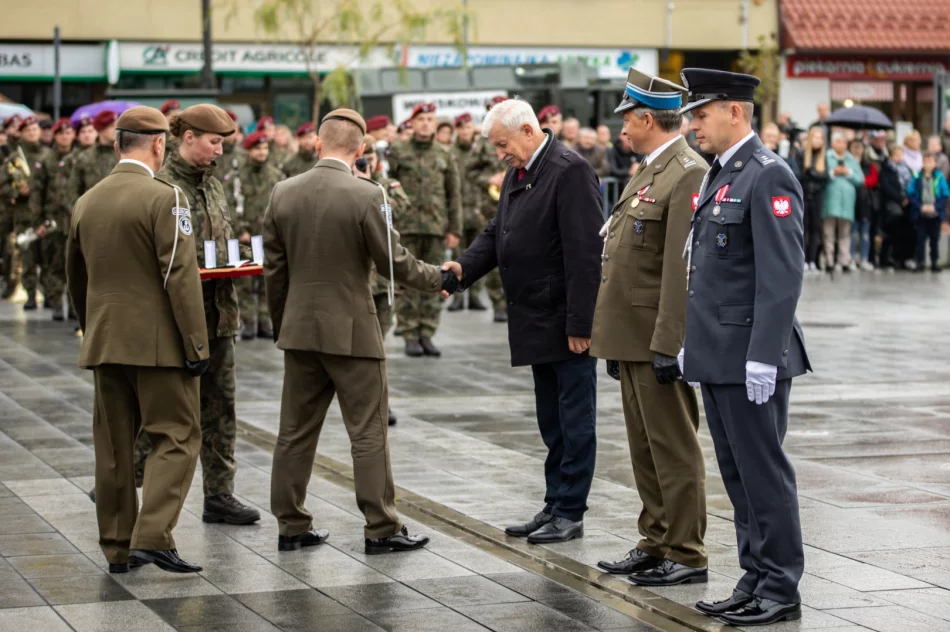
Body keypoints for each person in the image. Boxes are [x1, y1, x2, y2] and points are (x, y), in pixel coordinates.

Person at [263, 108, 454, 554]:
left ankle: (291, 524)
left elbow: (274, 271)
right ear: (361, 148)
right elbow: (395, 263)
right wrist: (441, 278)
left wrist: (283, 324)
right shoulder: (367, 194)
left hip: (300, 330)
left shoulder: (282, 192)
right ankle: (381, 527)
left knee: (294, 432)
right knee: (367, 431)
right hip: (352, 331)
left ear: (317, 143)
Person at [680, 68, 810, 626]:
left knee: (763, 474)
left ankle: (780, 586)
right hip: (719, 351)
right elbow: (710, 272)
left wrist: (764, 354)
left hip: (751, 356)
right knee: (737, 475)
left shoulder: (767, 174)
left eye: (701, 114)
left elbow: (781, 277)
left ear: (735, 112)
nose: (692, 125)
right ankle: (754, 577)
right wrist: (692, 341)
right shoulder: (721, 173)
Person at [444, 98, 602, 544]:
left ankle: (570, 510)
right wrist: (464, 268)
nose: (500, 155)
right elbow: (498, 231)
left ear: (529, 131)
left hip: (565, 321)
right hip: (536, 317)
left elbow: (586, 253)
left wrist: (581, 324)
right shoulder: (524, 169)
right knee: (551, 420)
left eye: (503, 144)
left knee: (575, 421)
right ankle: (554, 502)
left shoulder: (569, 171)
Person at [66, 105, 209, 574]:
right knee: (177, 435)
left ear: (115, 145)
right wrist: (196, 345)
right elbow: (179, 276)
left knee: (113, 448)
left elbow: (75, 277)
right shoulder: (167, 197)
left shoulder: (87, 201)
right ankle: (152, 536)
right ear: (160, 144)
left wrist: (93, 327)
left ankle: (117, 547)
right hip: (158, 344)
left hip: (105, 341)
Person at [590, 69, 708, 586]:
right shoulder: (651, 169)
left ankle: (685, 552)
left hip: (657, 335)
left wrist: (669, 342)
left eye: (627, 120)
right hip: (631, 333)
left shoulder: (687, 172)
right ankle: (655, 539)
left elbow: (681, 268)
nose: (621, 130)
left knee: (672, 447)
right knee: (644, 446)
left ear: (647, 119)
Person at [134, 104, 262, 526]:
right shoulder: (161, 186)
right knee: (164, 407)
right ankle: (127, 480)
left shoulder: (214, 186)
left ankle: (219, 494)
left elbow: (220, 244)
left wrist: (247, 258)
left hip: (219, 315)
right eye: (214, 142)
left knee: (221, 405)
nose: (220, 151)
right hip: (175, 320)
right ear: (187, 137)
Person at [387, 103, 462, 358]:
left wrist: (454, 229)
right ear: (413, 123)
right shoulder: (398, 151)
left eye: (430, 119)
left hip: (435, 227)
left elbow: (454, 194)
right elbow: (386, 186)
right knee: (407, 281)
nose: (426, 123)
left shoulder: (444, 153)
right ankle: (410, 333)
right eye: (421, 119)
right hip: (405, 227)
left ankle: (427, 332)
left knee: (435, 279)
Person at [356, 133, 412, 426]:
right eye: (361, 158)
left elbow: (401, 209)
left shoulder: (386, 186)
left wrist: (371, 186)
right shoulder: (346, 185)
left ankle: (380, 402)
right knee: (358, 347)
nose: (366, 163)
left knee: (378, 345)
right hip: (356, 282)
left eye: (371, 158)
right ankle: (362, 400)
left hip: (381, 282)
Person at [235, 131, 284, 340]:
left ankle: (266, 321)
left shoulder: (275, 175)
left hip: (268, 235)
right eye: (257, 148)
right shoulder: (238, 175)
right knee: (245, 282)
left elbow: (282, 203)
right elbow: (232, 203)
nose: (262, 152)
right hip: (246, 235)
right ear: (248, 150)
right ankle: (247, 322)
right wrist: (240, 230)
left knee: (267, 281)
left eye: (264, 148)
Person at [466, 100, 511, 323]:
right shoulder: (483, 143)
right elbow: (469, 172)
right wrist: (490, 179)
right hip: (490, 205)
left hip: (517, 200)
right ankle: (498, 303)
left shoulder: (519, 136)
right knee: (495, 252)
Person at [30, 117, 75, 319]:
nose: (65, 137)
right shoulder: (46, 160)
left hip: (73, 218)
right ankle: (56, 302)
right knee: (53, 263)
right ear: (55, 136)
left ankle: (74, 307)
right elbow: (37, 192)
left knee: (74, 264)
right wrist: (37, 221)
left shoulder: (78, 158)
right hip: (52, 219)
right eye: (61, 133)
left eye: (68, 133)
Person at [447, 113, 488, 312]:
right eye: (462, 128)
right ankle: (457, 296)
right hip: (459, 211)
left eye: (469, 127)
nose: (465, 131)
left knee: (478, 255)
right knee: (457, 256)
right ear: (457, 130)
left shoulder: (479, 151)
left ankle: (474, 296)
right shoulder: (450, 152)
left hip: (478, 209)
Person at [7, 116, 48, 311]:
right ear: (22, 133)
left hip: (45, 214)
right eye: (28, 130)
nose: (32, 133)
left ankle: (50, 294)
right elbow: (3, 185)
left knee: (48, 256)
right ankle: (30, 294)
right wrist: (16, 192)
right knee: (28, 256)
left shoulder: (48, 155)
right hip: (24, 215)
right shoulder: (15, 157)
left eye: (35, 129)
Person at [822, 132, 863, 273]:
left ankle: (844, 260)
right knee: (828, 232)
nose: (841, 145)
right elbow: (821, 174)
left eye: (844, 142)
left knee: (845, 233)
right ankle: (829, 260)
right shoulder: (826, 156)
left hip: (847, 202)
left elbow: (860, 179)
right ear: (832, 143)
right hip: (830, 199)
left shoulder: (851, 159)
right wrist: (833, 173)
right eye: (838, 141)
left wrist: (848, 172)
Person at [906, 151, 948, 272]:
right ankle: (920, 262)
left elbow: (945, 194)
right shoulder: (917, 176)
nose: (928, 164)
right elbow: (910, 193)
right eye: (926, 162)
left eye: (930, 162)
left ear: (935, 163)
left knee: (934, 239)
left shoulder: (939, 176)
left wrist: (936, 207)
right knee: (920, 239)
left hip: (935, 214)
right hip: (921, 214)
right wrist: (920, 206)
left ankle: (934, 262)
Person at [67, 110, 118, 209]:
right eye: (111, 126)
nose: (116, 129)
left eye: (116, 125)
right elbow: (73, 191)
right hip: (91, 212)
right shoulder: (85, 157)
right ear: (101, 129)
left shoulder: (123, 154)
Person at [798, 126, 829, 272]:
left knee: (816, 228)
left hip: (817, 196)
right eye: (815, 137)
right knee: (803, 228)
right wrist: (814, 174)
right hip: (804, 195)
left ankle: (813, 260)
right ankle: (803, 259)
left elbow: (825, 177)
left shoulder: (824, 157)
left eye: (820, 138)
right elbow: (799, 175)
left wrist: (811, 173)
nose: (817, 141)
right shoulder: (802, 154)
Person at [878, 144, 911, 270]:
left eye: (901, 154)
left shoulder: (906, 168)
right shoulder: (886, 169)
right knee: (891, 230)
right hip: (891, 203)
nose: (899, 157)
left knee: (905, 231)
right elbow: (886, 186)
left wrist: (908, 198)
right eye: (896, 155)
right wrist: (900, 198)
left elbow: (911, 183)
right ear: (891, 156)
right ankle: (886, 257)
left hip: (906, 203)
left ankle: (903, 258)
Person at [848, 139, 874, 270]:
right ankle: (851, 259)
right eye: (854, 147)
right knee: (852, 233)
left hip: (865, 203)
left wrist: (858, 178)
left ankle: (864, 259)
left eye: (860, 147)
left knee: (865, 233)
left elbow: (872, 180)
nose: (857, 150)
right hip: (851, 202)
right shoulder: (847, 163)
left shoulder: (869, 165)